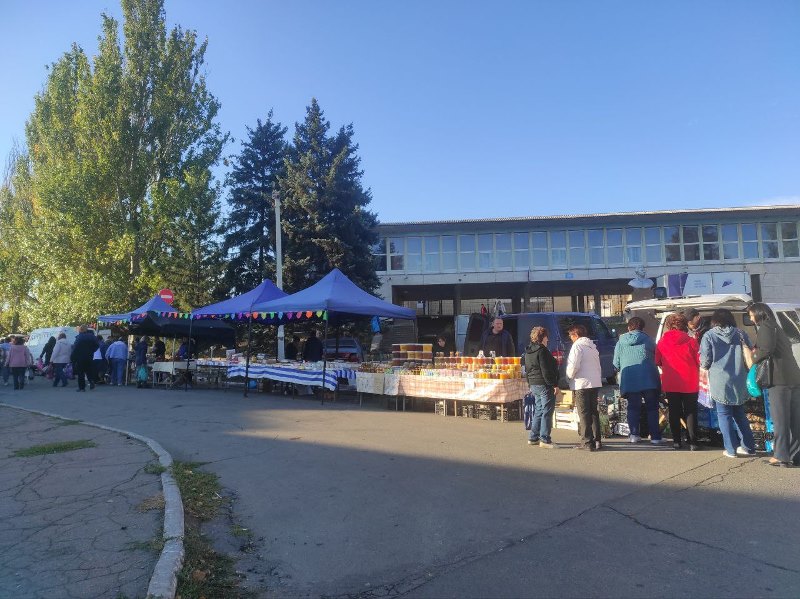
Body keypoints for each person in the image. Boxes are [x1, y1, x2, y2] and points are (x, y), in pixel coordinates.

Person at [744, 302, 800, 468]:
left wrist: (751, 356)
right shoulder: (776, 326)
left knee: (780, 419)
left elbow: (765, 350)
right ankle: (796, 455)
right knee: (795, 420)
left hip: (779, 380)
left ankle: (781, 456)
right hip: (793, 378)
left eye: (751, 315)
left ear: (759, 314)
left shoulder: (766, 327)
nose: (751, 318)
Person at [699, 308, 755, 458]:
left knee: (724, 415)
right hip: (739, 379)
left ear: (714, 320)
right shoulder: (741, 333)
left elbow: (705, 361)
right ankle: (748, 447)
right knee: (740, 415)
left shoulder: (709, 335)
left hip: (719, 381)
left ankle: (730, 450)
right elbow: (750, 353)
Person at [614, 317, 662, 445]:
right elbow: (658, 359)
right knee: (652, 407)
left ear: (629, 327)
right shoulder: (649, 340)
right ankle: (655, 437)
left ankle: (634, 435)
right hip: (649, 378)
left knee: (633, 407)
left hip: (629, 379)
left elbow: (616, 363)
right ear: (642, 328)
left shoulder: (620, 342)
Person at [656, 313, 701, 451]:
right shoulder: (691, 341)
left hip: (671, 381)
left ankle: (676, 441)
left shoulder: (662, 342)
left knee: (674, 411)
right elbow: (699, 361)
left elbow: (657, 361)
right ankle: (693, 442)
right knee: (691, 411)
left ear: (669, 325)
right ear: (685, 325)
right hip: (690, 381)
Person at [566, 324, 603, 451]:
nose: (570, 338)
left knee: (583, 413)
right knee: (593, 412)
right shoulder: (592, 347)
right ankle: (597, 440)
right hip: (594, 382)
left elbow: (574, 365)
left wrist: (569, 376)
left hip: (581, 383)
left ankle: (587, 442)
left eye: (571, 336)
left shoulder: (577, 346)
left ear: (575, 335)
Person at [524, 326, 559, 448]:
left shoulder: (528, 351)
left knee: (539, 410)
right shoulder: (542, 351)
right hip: (544, 384)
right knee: (547, 411)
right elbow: (546, 370)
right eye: (546, 337)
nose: (548, 339)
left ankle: (533, 437)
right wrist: (554, 384)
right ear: (543, 337)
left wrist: (529, 384)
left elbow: (527, 370)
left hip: (534, 384)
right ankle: (544, 439)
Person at [70, 325, 99, 392]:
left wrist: (72, 357)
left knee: (81, 372)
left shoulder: (79, 337)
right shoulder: (92, 336)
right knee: (89, 371)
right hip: (89, 356)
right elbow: (97, 345)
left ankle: (82, 387)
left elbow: (75, 348)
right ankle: (91, 381)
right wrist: (92, 351)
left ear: (80, 330)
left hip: (80, 357)